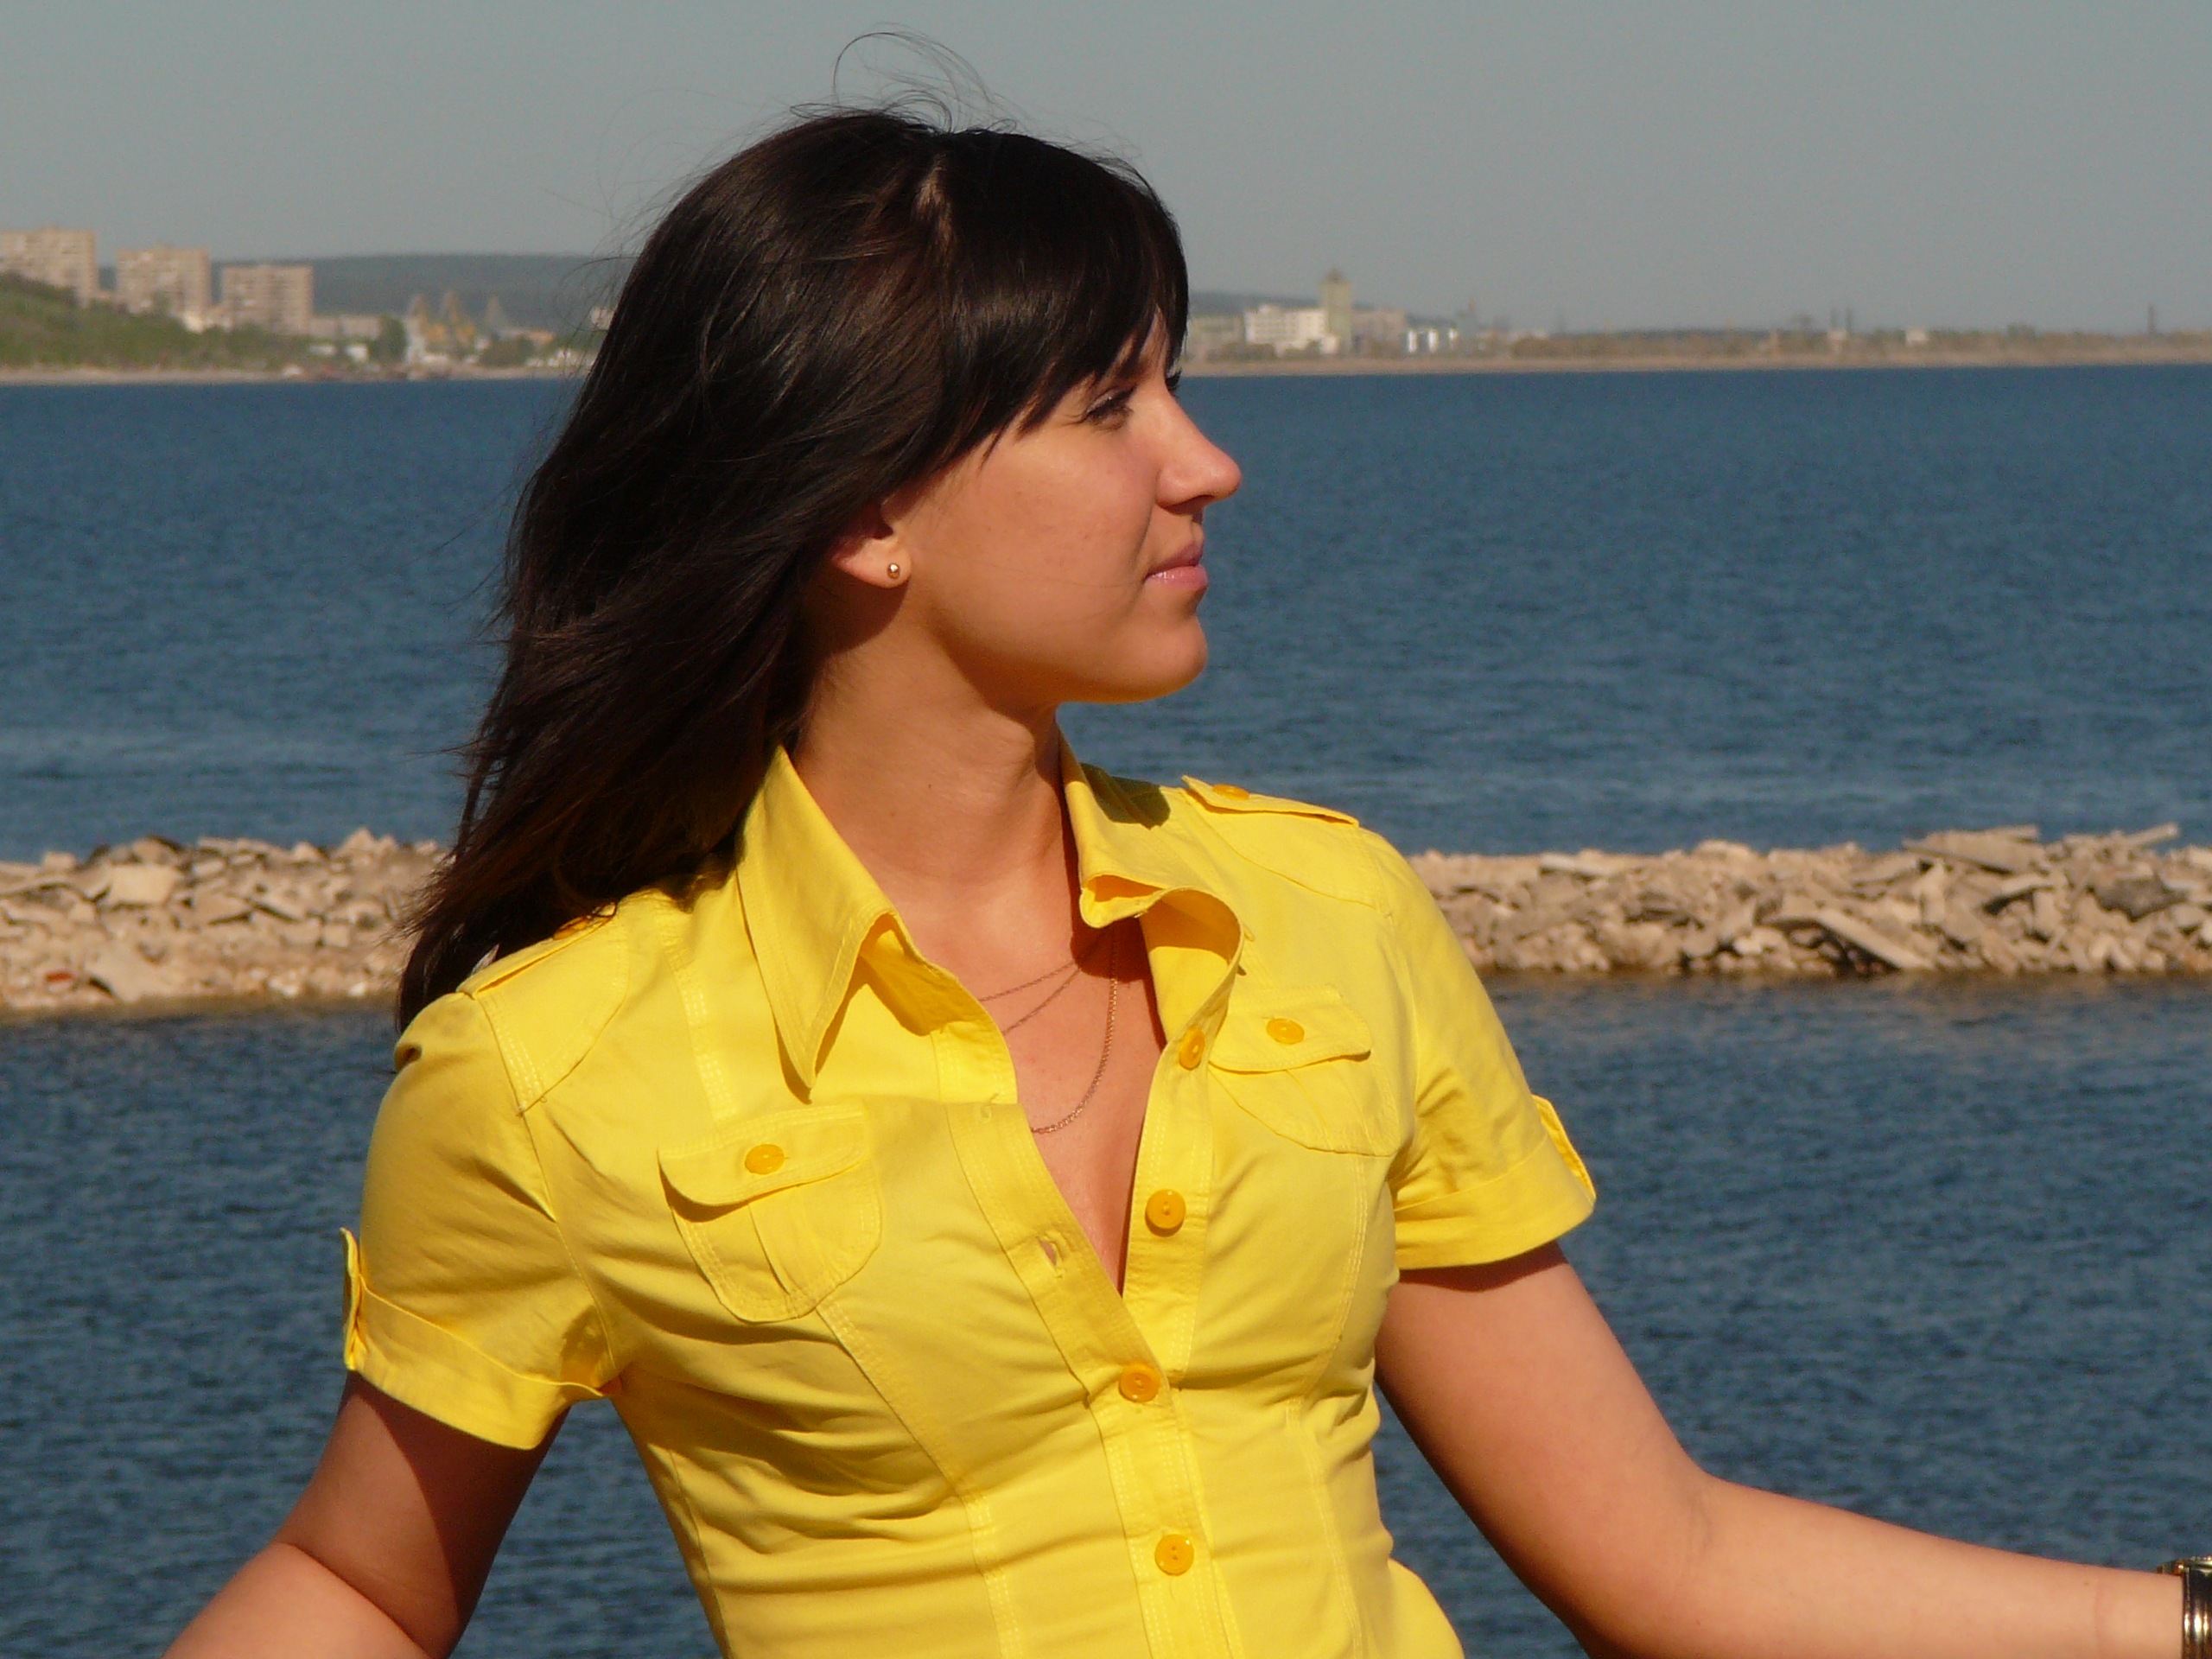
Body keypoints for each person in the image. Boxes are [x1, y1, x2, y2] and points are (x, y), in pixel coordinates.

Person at [169, 106, 2201, 1659]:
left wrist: (2170, 1617)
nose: (1204, 461)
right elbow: (363, 1584)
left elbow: (1661, 1558)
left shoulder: (1327, 922)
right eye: (1108, 406)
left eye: (1176, 385)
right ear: (868, 511)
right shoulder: (549, 1074)